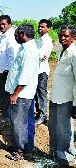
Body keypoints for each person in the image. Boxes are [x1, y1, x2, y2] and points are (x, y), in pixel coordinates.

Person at [5, 24, 39, 161]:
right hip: (21, 93)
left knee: (18, 122)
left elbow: (25, 75)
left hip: (22, 94)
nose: (15, 36)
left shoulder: (29, 51)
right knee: (21, 121)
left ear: (23, 34)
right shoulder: (25, 48)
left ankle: (20, 150)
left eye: (17, 34)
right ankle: (22, 146)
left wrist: (16, 93)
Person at [49, 26, 76, 165]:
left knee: (63, 128)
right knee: (53, 125)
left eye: (66, 36)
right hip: (55, 97)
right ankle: (54, 152)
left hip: (67, 98)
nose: (62, 38)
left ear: (74, 38)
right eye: (60, 35)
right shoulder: (61, 50)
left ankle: (66, 157)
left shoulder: (74, 54)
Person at [0, 15, 20, 123]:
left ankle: (7, 117)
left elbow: (11, 56)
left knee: (6, 95)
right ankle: (5, 114)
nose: (1, 26)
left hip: (7, 71)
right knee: (3, 94)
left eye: (4, 24)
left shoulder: (11, 37)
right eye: (0, 24)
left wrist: (7, 70)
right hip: (1, 70)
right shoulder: (3, 35)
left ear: (9, 24)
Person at [34, 19, 53, 125]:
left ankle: (43, 115)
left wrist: (36, 53)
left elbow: (42, 56)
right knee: (36, 93)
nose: (40, 28)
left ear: (48, 29)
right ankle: (39, 113)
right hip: (36, 70)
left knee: (41, 93)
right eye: (39, 26)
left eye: (43, 27)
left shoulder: (47, 41)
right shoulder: (38, 40)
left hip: (42, 70)